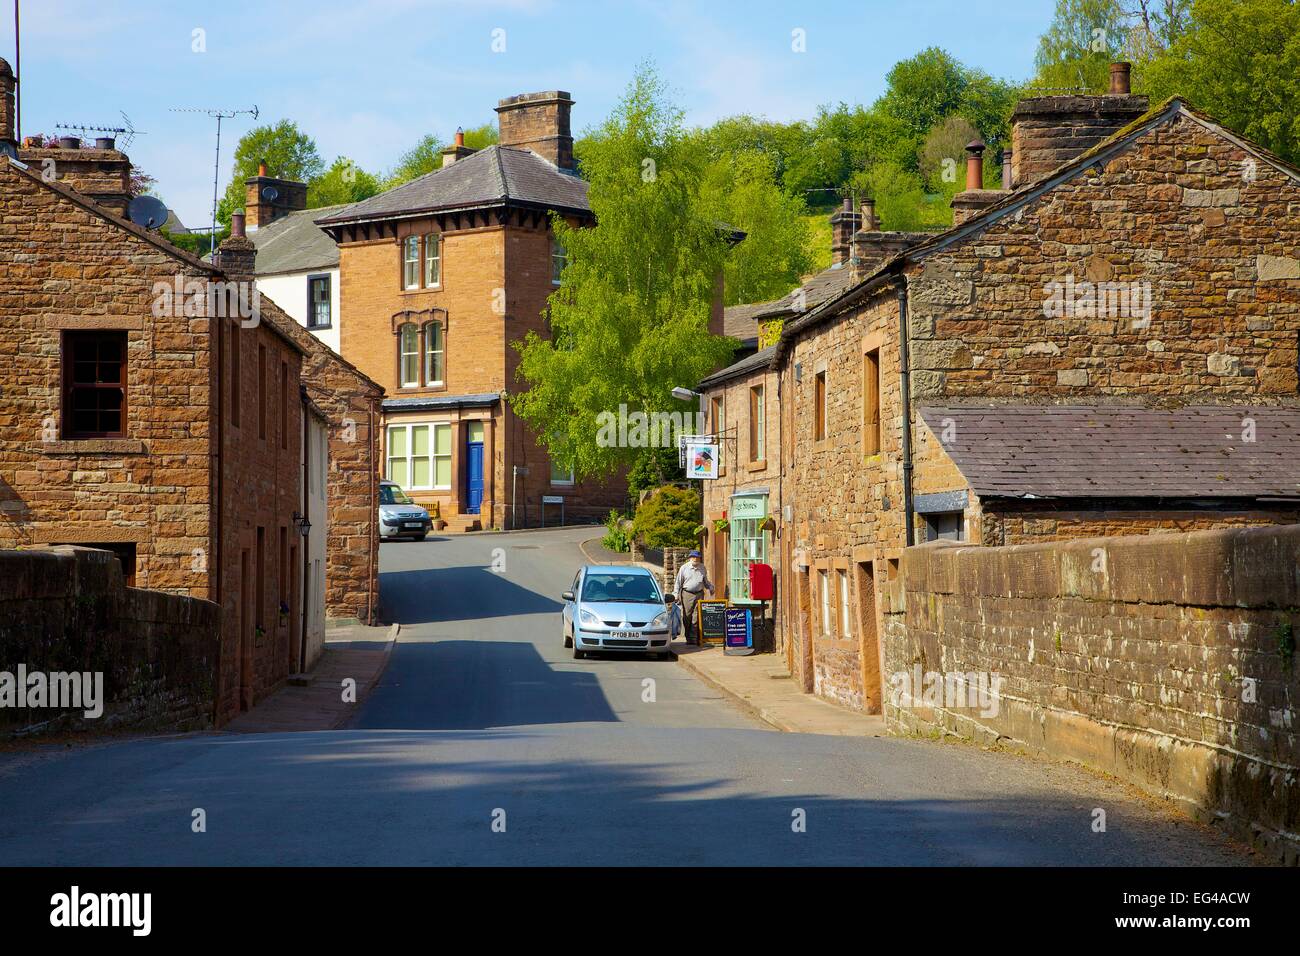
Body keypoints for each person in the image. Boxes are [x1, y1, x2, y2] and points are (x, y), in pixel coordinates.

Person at [673, 550, 713, 645]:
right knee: (687, 616)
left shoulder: (702, 567)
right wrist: (675, 594)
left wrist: (710, 587)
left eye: (697, 557)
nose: (695, 559)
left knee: (696, 616)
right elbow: (678, 582)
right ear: (690, 558)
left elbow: (705, 581)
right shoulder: (684, 568)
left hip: (699, 594)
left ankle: (693, 638)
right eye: (694, 557)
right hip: (687, 594)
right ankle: (688, 636)